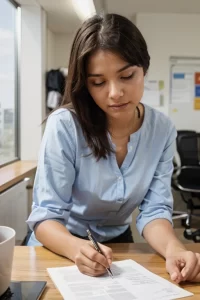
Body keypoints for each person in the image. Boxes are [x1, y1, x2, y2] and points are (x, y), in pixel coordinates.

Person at [27, 13, 200, 282]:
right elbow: (45, 216)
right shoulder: (64, 126)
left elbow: (154, 211)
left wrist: (173, 248)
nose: (114, 93)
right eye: (98, 82)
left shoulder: (162, 129)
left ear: (144, 68)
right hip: (61, 245)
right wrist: (76, 248)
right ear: (85, 84)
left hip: (117, 244)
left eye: (127, 75)